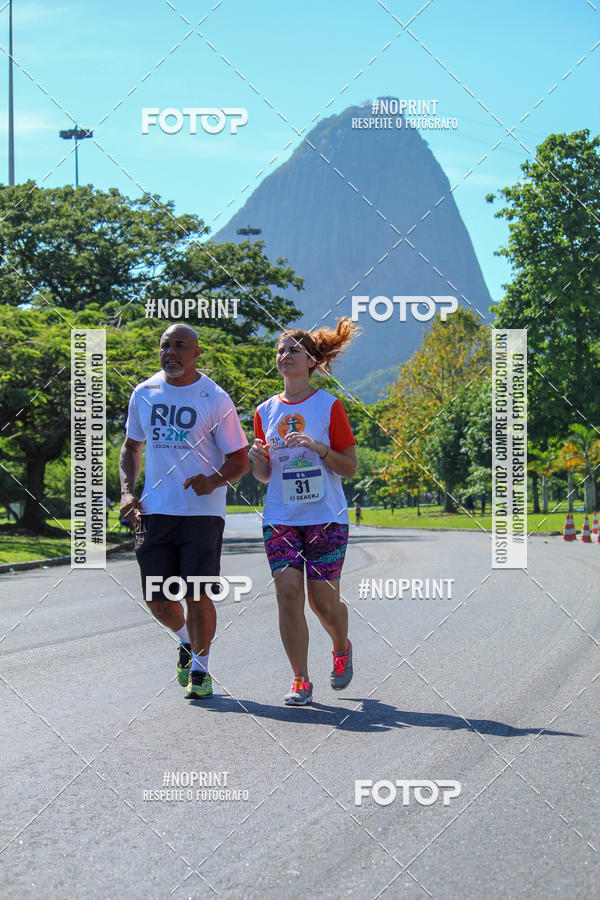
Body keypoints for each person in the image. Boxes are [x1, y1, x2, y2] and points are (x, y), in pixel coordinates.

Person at [119, 323, 249, 700]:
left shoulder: (214, 397)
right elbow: (131, 447)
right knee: (158, 599)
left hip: (202, 514)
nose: (171, 352)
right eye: (165, 345)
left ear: (197, 353)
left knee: (197, 594)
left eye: (180, 346)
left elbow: (239, 458)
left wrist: (213, 480)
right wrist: (128, 492)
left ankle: (202, 670)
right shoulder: (144, 393)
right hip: (154, 511)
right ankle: (187, 642)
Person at [249, 319, 359, 706]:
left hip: (326, 516)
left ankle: (341, 645)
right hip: (281, 517)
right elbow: (265, 476)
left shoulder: (329, 406)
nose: (284, 355)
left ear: (311, 361)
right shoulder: (265, 411)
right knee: (287, 595)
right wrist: (257, 460)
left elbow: (349, 466)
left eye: (293, 350)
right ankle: (300, 679)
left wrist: (320, 448)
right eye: (280, 350)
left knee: (322, 603)